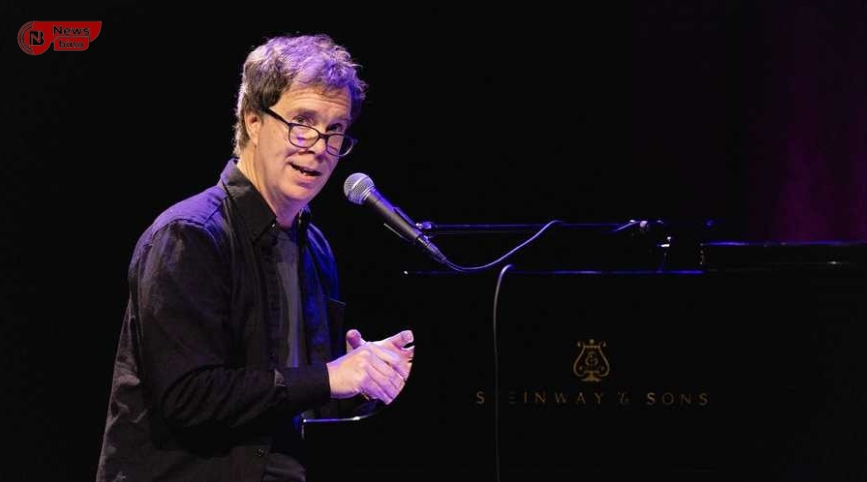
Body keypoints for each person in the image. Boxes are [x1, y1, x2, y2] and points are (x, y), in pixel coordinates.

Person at [96, 33, 414, 482]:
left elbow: (297, 401)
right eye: (302, 122)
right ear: (253, 122)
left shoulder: (314, 247)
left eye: (335, 130)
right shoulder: (189, 236)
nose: (320, 146)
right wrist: (327, 376)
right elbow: (190, 397)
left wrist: (362, 378)